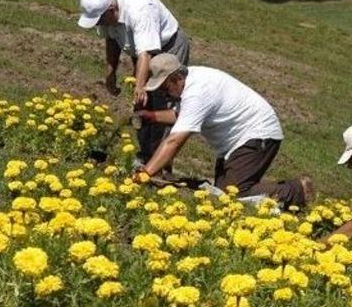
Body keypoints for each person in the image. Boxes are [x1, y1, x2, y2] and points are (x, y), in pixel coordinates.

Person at [133, 54, 311, 207]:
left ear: (176, 78)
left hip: (259, 134)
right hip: (239, 140)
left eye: (165, 88)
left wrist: (145, 174)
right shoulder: (191, 80)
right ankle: (264, 186)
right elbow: (183, 115)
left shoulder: (197, 92)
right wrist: (152, 116)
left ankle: (296, 191)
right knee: (221, 191)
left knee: (233, 195)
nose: (164, 94)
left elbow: (174, 141)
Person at [77, 0, 190, 165]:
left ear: (111, 10)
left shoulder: (140, 10)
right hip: (141, 51)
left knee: (163, 104)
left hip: (168, 49)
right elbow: (111, 39)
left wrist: (140, 87)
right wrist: (111, 72)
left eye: (99, 20)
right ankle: (146, 155)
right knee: (141, 104)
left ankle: (159, 165)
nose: (98, 24)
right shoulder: (103, 6)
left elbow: (146, 53)